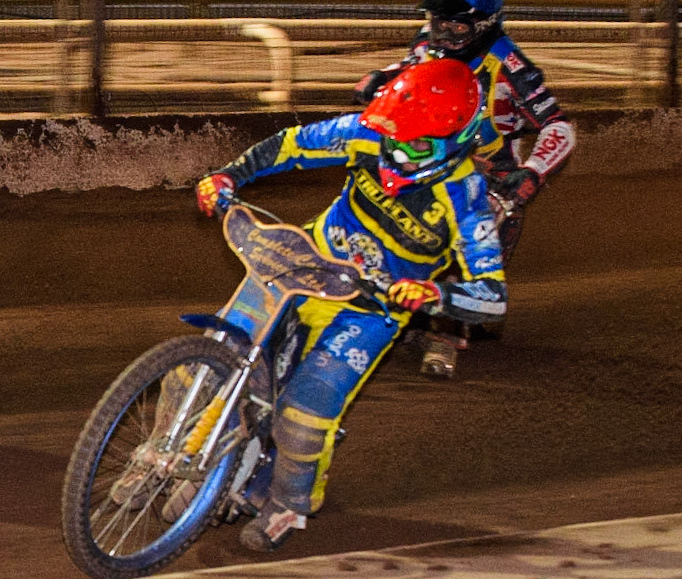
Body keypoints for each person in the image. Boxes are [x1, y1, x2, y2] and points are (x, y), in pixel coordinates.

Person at [193, 58, 506, 552]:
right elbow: (291, 144)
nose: (395, 152)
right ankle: (183, 453)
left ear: (456, 142)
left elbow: (493, 296)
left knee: (305, 411)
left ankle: (289, 504)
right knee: (209, 358)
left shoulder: (466, 198)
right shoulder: (370, 130)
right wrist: (229, 176)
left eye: (415, 144)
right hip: (306, 263)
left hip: (371, 307)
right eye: (392, 135)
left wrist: (435, 295)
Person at [351, 0, 573, 376]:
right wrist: (382, 78)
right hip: (429, 162)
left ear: (484, 23)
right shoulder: (427, 43)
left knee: (461, 240)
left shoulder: (510, 66)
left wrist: (531, 173)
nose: (445, 33)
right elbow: (409, 70)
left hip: (492, 177)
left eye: (457, 24)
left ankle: (446, 336)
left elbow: (559, 127)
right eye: (439, 22)